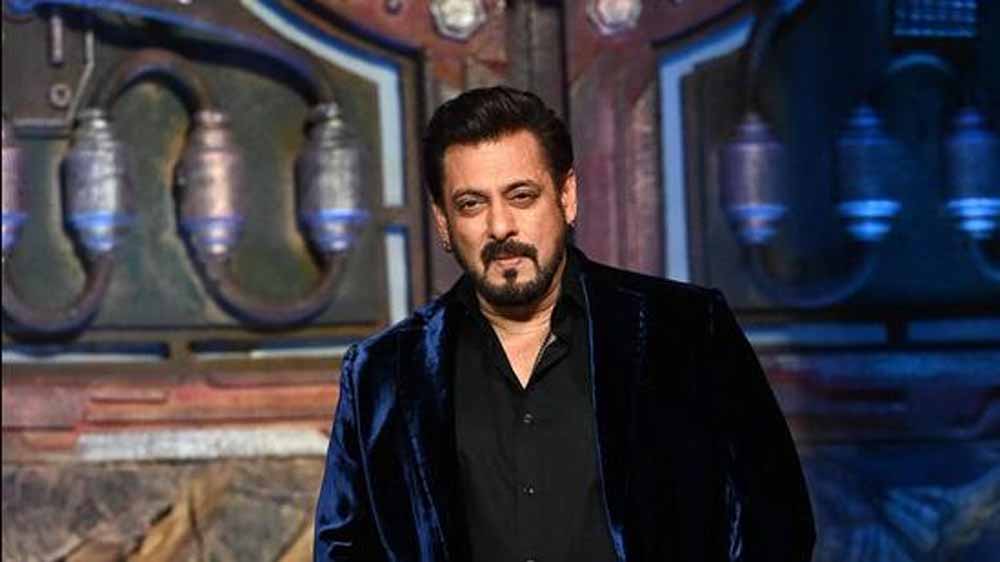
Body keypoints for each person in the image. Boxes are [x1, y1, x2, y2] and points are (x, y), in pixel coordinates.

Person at [314, 86, 815, 562]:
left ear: (567, 196)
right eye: (471, 204)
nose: (500, 226)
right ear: (444, 222)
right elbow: (344, 549)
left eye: (521, 196)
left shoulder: (685, 331)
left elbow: (775, 523)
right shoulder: (383, 374)